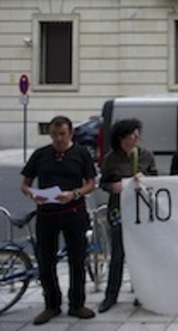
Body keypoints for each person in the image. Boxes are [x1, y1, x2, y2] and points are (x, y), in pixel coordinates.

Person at [20, 116, 97, 325]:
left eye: (62, 134)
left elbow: (91, 183)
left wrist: (75, 194)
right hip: (47, 214)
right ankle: (51, 304)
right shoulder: (41, 155)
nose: (59, 139)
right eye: (54, 135)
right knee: (46, 261)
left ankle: (77, 303)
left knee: (77, 259)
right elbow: (25, 184)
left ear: (70, 133)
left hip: (74, 212)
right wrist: (32, 194)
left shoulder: (81, 154)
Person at [99, 118, 158, 313]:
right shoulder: (111, 159)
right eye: (133, 134)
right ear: (122, 138)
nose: (137, 137)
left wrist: (145, 179)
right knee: (117, 254)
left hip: (141, 212)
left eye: (137, 133)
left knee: (143, 254)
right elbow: (103, 183)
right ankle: (111, 296)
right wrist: (112, 187)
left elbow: (157, 180)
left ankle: (144, 293)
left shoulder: (145, 155)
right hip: (119, 211)